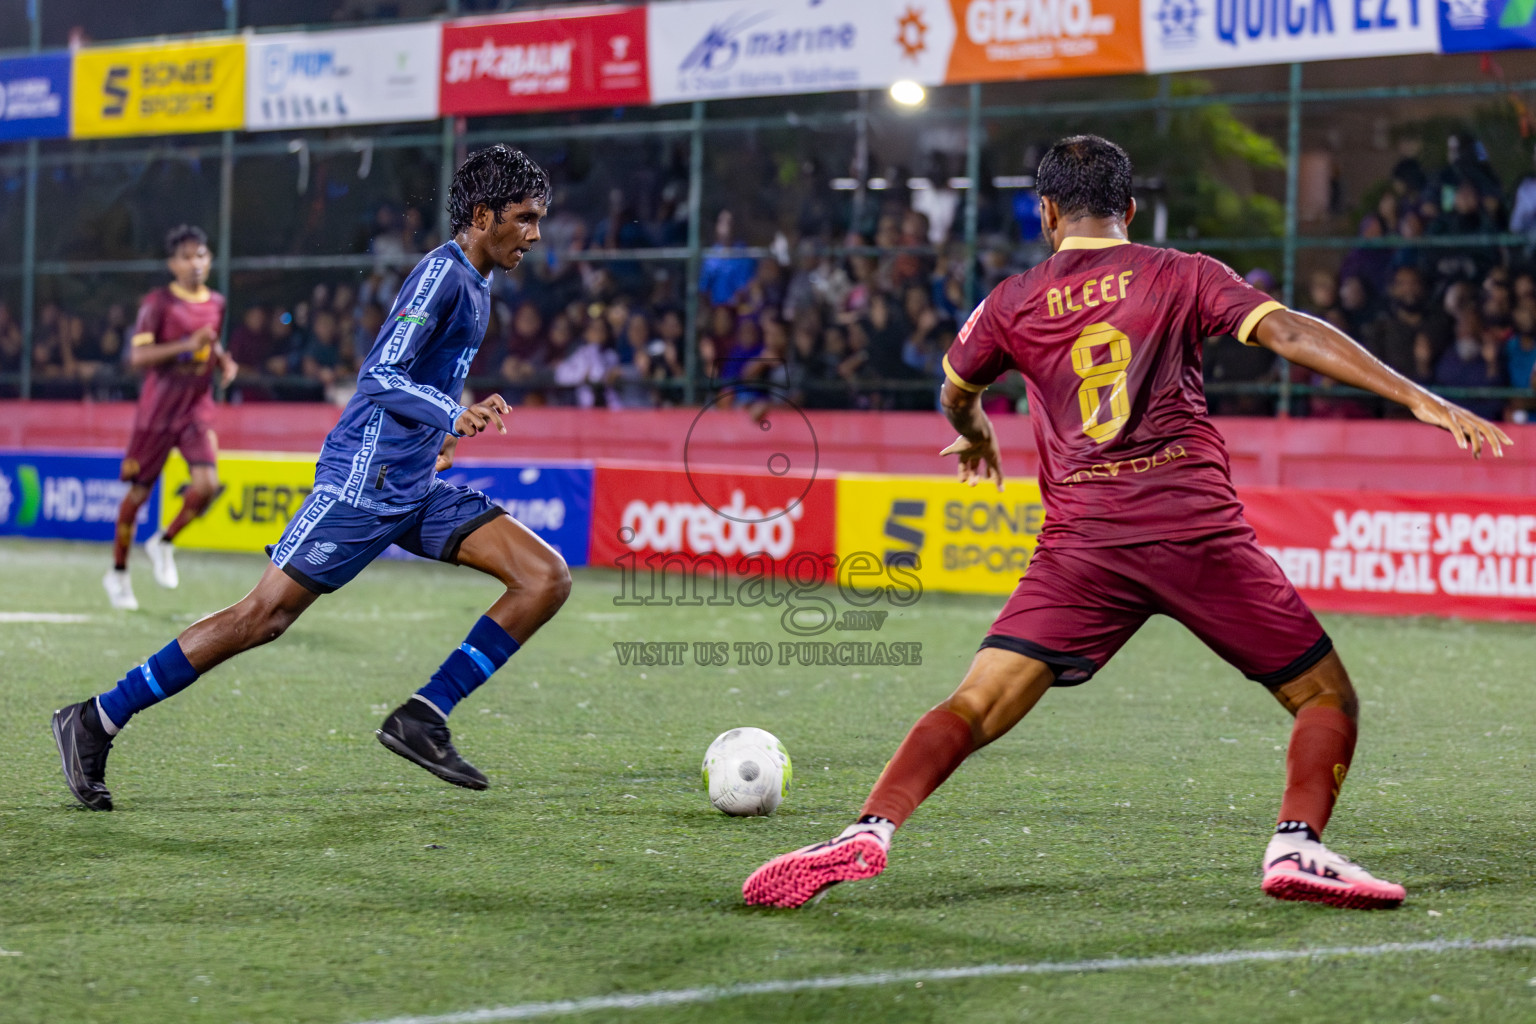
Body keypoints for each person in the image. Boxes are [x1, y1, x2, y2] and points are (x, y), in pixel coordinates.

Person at [743, 135, 1511, 913]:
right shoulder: (1181, 273)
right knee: (1325, 698)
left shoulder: (1010, 301)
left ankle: (870, 827)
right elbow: (1289, 333)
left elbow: (953, 388)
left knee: (973, 703)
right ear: (1130, 210)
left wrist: (975, 429)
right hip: (1192, 530)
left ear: (1046, 213)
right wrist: (1416, 396)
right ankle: (1297, 844)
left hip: (1084, 542)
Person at [54, 146, 569, 811]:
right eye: (525, 218)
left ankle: (424, 716)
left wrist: (440, 435)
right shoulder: (442, 276)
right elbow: (380, 373)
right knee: (261, 617)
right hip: (364, 480)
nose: (534, 235)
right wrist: (452, 412)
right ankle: (95, 720)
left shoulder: (478, 281)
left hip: (411, 480)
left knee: (544, 577)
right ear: (481, 214)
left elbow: (420, 380)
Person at [102, 225, 237, 611]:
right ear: (171, 263)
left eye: (201, 255)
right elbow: (138, 357)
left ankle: (163, 541)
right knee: (139, 494)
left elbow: (211, 340)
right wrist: (185, 347)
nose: (194, 263)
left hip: (195, 407)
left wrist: (223, 360)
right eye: (186, 256)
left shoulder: (217, 302)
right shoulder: (157, 304)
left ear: (209, 259)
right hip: (157, 412)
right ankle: (118, 573)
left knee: (208, 485)